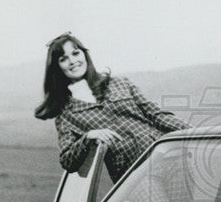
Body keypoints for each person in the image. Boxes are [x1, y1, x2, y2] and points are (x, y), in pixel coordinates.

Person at [35, 32, 189, 181]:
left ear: (84, 54)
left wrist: (196, 134)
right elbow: (67, 160)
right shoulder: (66, 114)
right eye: (63, 59)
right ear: (57, 67)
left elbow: (157, 115)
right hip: (132, 177)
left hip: (168, 159)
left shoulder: (120, 83)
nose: (72, 61)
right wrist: (88, 137)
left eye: (75, 53)